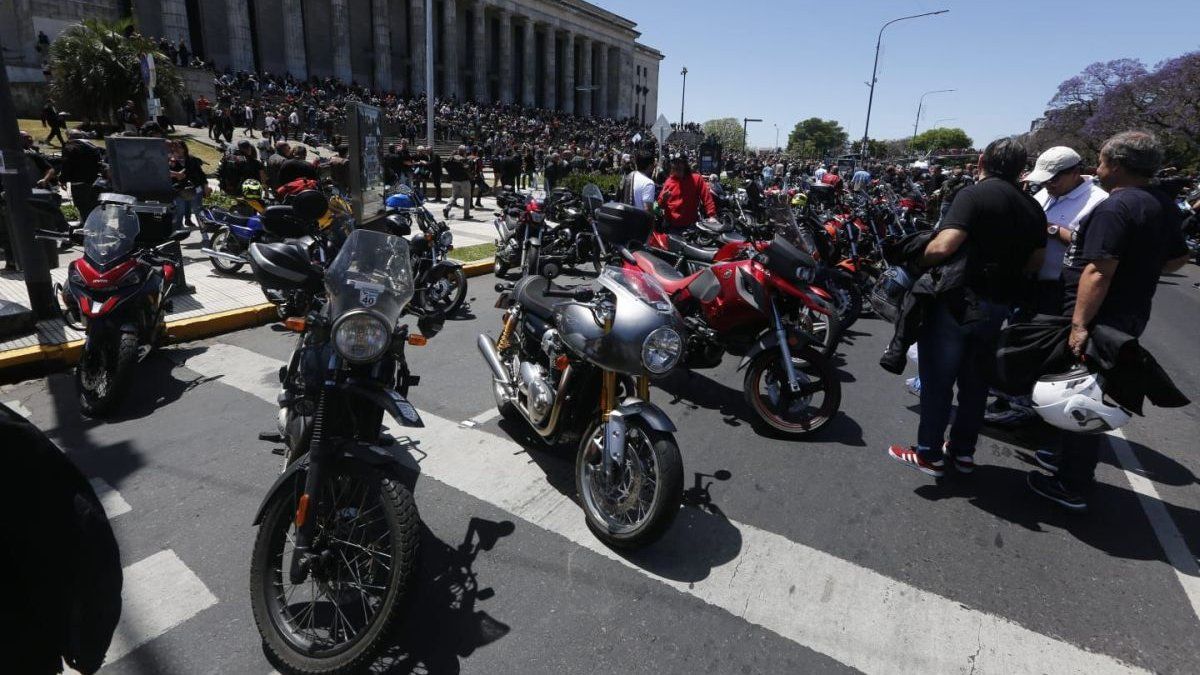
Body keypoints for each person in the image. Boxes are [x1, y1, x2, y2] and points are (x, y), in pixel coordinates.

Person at [1027, 131, 1190, 511]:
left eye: (1100, 161)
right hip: (1129, 314)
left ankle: (1072, 483)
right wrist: (1141, 269)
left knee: (1081, 397)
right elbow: (1176, 258)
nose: (1096, 169)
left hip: (1100, 320)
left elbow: (1098, 272)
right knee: (1089, 391)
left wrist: (1079, 325)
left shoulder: (1117, 208)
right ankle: (1061, 458)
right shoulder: (1162, 204)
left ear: (1116, 165)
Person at [886, 138, 1047, 478]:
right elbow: (1036, 262)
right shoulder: (1032, 207)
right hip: (998, 305)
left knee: (938, 382)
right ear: (1022, 169)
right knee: (975, 386)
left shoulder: (973, 195)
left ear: (981, 161)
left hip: (957, 302)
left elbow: (944, 245)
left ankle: (929, 452)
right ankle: (963, 452)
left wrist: (919, 260)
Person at [985, 146, 1109, 428]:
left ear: (1075, 173)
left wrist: (1051, 229)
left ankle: (1029, 412)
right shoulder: (1044, 194)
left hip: (1061, 289)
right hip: (1030, 283)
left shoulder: (1097, 202)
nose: (1048, 185)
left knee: (1042, 355)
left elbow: (1092, 248)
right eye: (1045, 180)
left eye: (1054, 180)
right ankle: (1009, 399)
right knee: (1014, 346)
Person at [657, 155, 718, 232]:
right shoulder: (668, 182)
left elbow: (707, 198)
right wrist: (663, 199)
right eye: (674, 163)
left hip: (691, 226)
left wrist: (712, 215)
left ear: (685, 164)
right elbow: (660, 205)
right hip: (672, 226)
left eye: (680, 163)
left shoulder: (696, 179)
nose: (677, 165)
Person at [59, 137, 105, 222]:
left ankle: (87, 228)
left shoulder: (70, 147)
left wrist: (62, 180)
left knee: (83, 208)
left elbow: (66, 164)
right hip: (94, 182)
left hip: (78, 184)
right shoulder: (92, 147)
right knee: (94, 207)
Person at [168, 140, 206, 241]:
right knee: (178, 213)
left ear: (184, 149)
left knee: (199, 213)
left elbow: (201, 175)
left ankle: (205, 235)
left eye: (179, 147)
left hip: (195, 189)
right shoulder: (170, 161)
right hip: (178, 191)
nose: (177, 150)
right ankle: (175, 237)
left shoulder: (192, 159)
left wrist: (205, 186)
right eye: (175, 148)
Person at [442, 146, 473, 220]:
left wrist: (451, 172)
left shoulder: (451, 158)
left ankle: (447, 208)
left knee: (454, 196)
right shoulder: (463, 159)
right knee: (467, 197)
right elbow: (467, 168)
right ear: (464, 151)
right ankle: (466, 215)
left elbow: (444, 164)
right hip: (464, 180)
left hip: (454, 180)